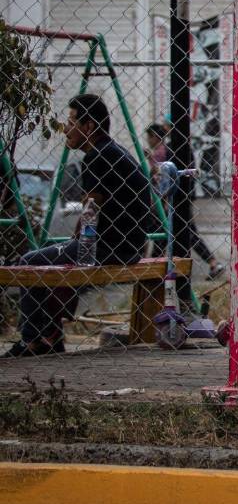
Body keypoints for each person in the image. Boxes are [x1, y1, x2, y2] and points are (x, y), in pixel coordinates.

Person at [3, 94, 155, 358]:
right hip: (128, 246)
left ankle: (33, 340)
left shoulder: (97, 157)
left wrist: (75, 249)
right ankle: (49, 337)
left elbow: (89, 214)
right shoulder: (112, 151)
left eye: (72, 121)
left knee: (28, 262)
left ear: (89, 127)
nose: (66, 128)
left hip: (108, 249)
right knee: (49, 260)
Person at [145, 122, 224, 282]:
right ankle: (212, 263)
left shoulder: (170, 148)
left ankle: (154, 270)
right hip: (180, 196)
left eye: (169, 126)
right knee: (177, 232)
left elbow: (163, 177)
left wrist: (164, 199)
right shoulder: (177, 146)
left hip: (176, 198)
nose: (167, 129)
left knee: (178, 232)